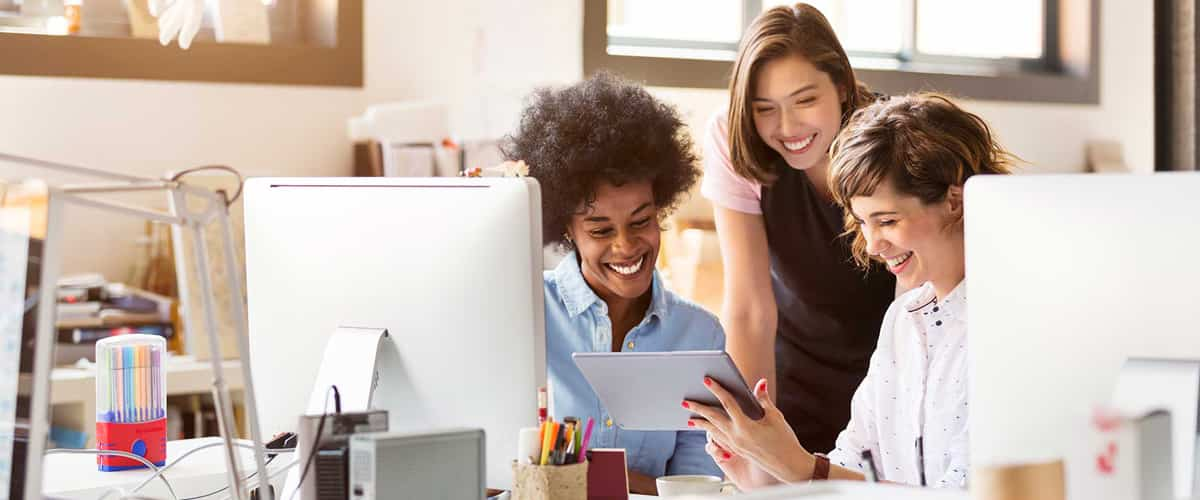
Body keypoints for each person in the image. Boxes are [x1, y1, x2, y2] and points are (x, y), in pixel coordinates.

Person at [686, 93, 1015, 489]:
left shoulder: (1008, 325)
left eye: (888, 220)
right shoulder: (903, 321)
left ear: (955, 201)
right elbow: (855, 462)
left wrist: (800, 467)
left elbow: (967, 495)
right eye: (863, 223)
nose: (873, 245)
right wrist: (767, 473)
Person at [502, 72, 724, 494]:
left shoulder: (699, 335)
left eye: (641, 221)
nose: (626, 246)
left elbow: (697, 487)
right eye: (600, 230)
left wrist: (579, 479)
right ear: (566, 229)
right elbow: (496, 469)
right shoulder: (525, 312)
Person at [700, 3, 896, 456]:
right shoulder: (733, 140)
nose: (787, 128)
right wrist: (750, 435)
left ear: (843, 87)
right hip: (795, 378)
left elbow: (918, 301)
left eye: (805, 100)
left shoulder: (893, 139)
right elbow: (750, 309)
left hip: (891, 371)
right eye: (764, 108)